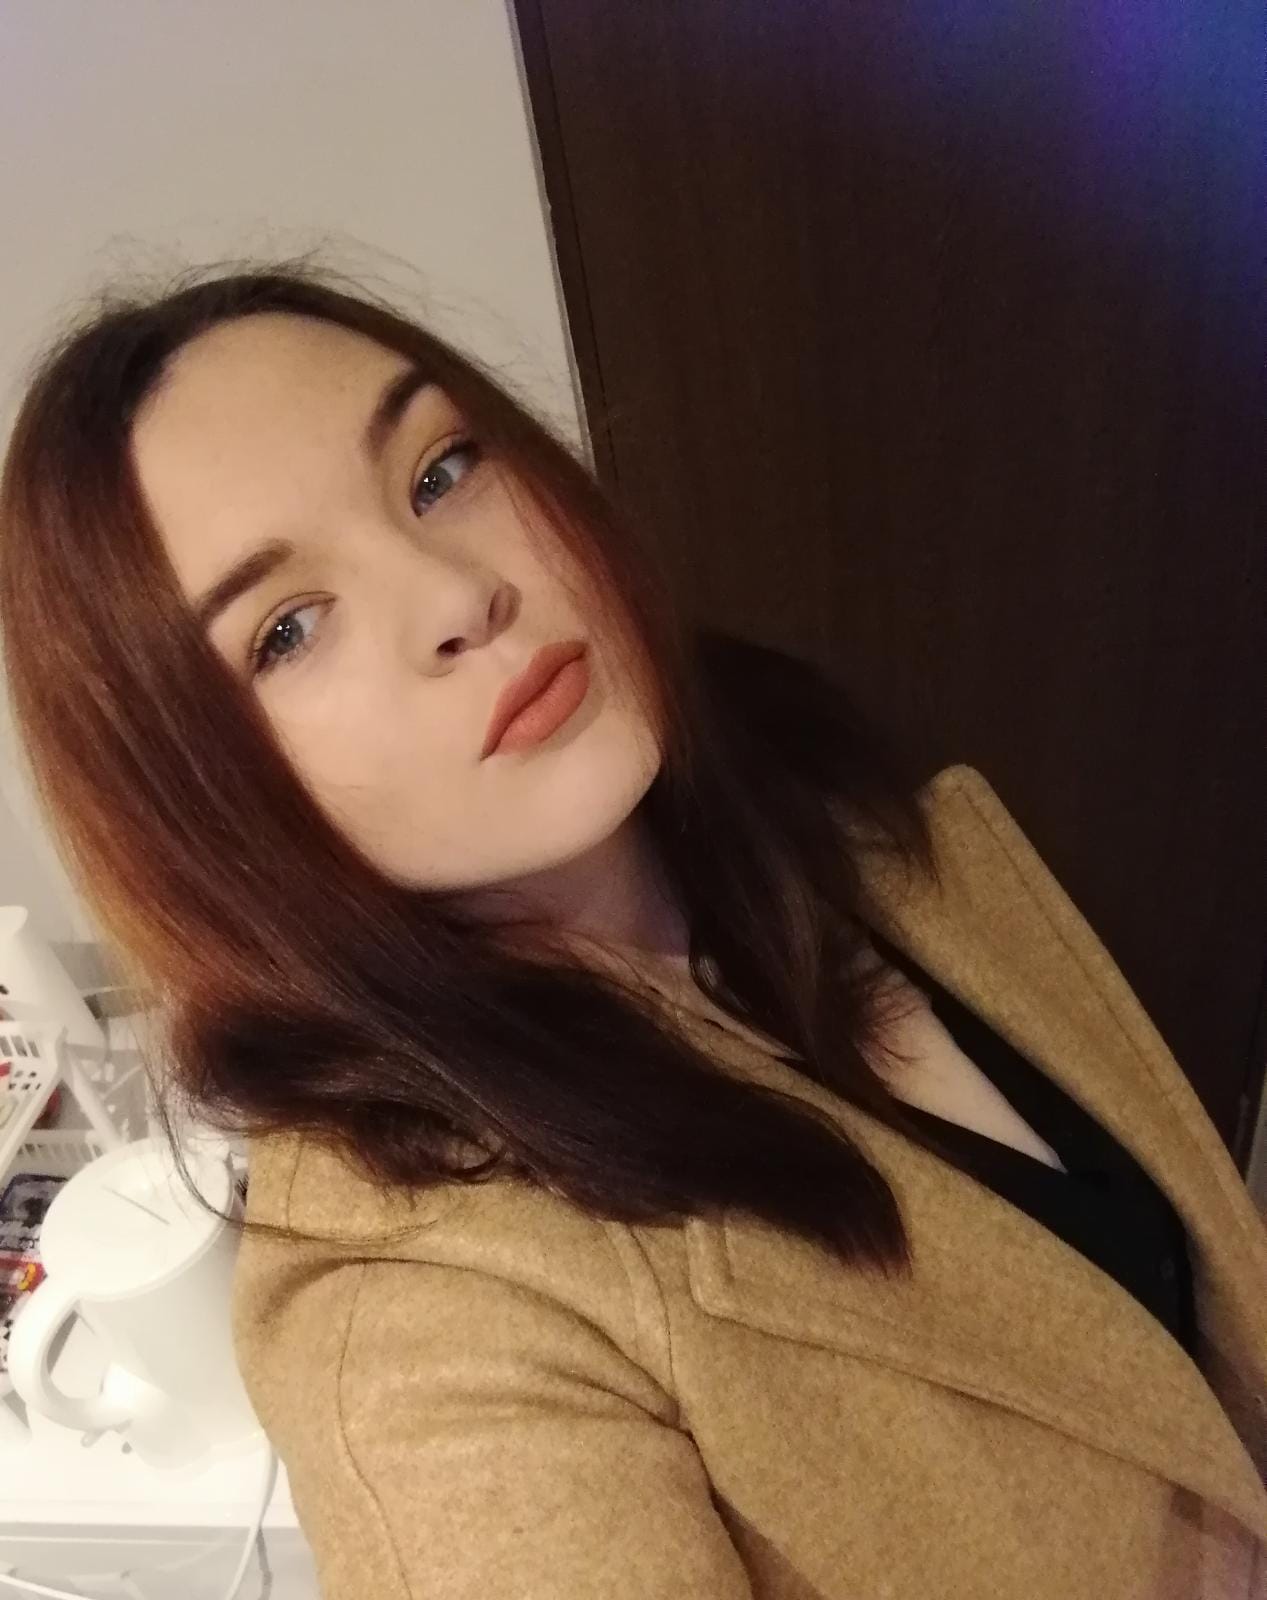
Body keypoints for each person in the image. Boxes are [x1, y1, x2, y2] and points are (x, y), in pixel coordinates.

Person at [1, 260, 1264, 1599]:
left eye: (439, 472)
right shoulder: (427, 1331)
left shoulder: (838, 827)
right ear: (198, 803)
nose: (458, 596)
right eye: (288, 631)